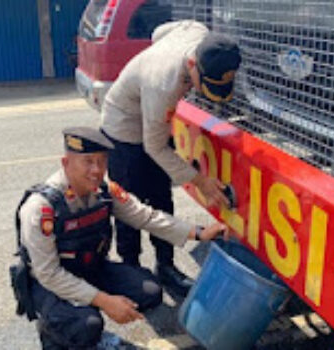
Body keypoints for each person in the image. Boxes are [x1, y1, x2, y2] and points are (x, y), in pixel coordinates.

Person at [12, 127, 229, 349]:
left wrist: (198, 233)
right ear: (66, 163)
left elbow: (145, 216)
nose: (96, 170)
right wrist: (104, 301)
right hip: (50, 283)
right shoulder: (41, 208)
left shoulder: (103, 191)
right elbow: (48, 274)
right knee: (87, 324)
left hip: (90, 267)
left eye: (102, 161)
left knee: (150, 292)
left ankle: (83, 319)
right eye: (88, 161)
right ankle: (55, 334)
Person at [99, 20, 241, 295]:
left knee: (161, 197)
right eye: (204, 85)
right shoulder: (164, 84)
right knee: (130, 204)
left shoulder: (198, 33)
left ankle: (165, 266)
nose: (201, 92)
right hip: (124, 129)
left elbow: (157, 32)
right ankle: (130, 269)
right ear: (191, 65)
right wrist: (200, 180)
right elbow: (155, 148)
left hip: (152, 123)